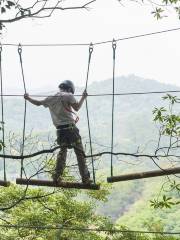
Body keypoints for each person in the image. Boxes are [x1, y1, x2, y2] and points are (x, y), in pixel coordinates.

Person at [24, 80, 91, 184]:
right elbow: (77, 108)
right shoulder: (68, 96)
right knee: (79, 153)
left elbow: (38, 103)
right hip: (71, 129)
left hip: (60, 131)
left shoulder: (51, 98)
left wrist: (28, 98)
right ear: (69, 89)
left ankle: (57, 177)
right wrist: (83, 97)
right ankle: (85, 179)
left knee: (62, 153)